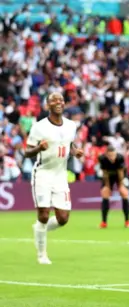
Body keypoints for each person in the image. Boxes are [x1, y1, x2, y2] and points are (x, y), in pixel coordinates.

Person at [25, 92, 83, 265]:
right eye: (54, 100)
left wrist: (75, 151)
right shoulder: (39, 127)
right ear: (47, 105)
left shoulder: (71, 125)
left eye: (61, 100)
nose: (58, 102)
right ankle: (42, 255)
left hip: (60, 175)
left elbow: (69, 143)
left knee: (63, 219)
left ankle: (39, 229)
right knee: (43, 215)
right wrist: (38, 149)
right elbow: (27, 152)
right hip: (43, 173)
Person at [98, 145, 129, 229]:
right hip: (109, 177)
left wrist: (121, 185)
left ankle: (127, 221)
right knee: (105, 193)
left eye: (113, 155)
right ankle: (104, 222)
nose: (112, 157)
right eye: (110, 156)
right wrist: (107, 186)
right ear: (106, 154)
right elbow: (105, 173)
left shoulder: (120, 158)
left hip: (121, 176)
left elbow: (120, 173)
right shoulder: (102, 159)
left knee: (124, 193)